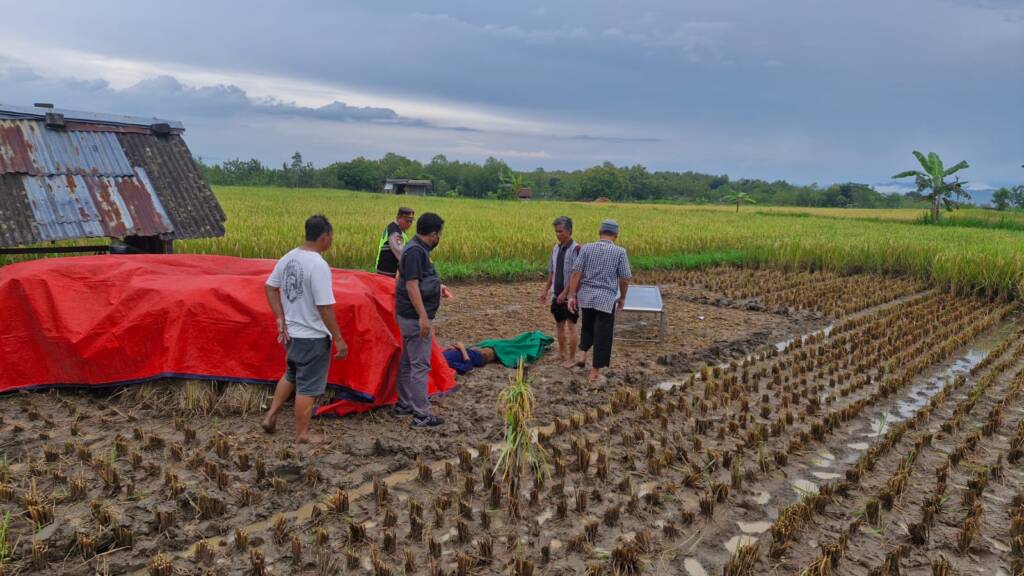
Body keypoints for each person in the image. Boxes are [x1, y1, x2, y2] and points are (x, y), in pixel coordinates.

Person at [261, 215, 348, 444]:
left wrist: (280, 317)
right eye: (332, 237)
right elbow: (325, 307)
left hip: (292, 334)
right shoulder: (318, 265)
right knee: (308, 387)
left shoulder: (290, 257)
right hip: (312, 336)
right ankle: (302, 434)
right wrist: (338, 338)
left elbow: (270, 287)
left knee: (291, 374)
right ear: (325, 236)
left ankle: (270, 416)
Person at [394, 212, 454, 428]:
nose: (439, 239)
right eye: (439, 235)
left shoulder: (416, 249)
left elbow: (417, 280)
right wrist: (422, 317)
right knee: (419, 365)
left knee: (408, 361)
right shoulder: (415, 252)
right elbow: (410, 284)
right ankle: (421, 415)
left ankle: (404, 404)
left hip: (408, 315)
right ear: (434, 234)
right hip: (413, 317)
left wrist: (439, 287)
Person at [567, 219, 632, 383]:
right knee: (602, 334)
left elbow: (576, 273)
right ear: (616, 235)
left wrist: (571, 296)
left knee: (587, 325)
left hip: (586, 297)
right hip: (606, 299)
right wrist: (623, 297)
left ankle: (582, 355)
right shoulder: (620, 252)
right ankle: (594, 371)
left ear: (599, 232)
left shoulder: (587, 248)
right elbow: (624, 279)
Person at [539, 216, 581, 368]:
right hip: (556, 294)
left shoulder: (576, 249)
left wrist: (565, 293)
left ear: (569, 231)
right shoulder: (556, 249)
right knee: (559, 324)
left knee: (571, 325)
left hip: (570, 297)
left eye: (560, 231)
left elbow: (575, 274)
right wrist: (546, 290)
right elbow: (552, 272)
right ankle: (561, 352)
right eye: (556, 231)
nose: (558, 234)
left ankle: (571, 357)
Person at [375, 207, 415, 276]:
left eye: (411, 221)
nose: (409, 224)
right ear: (398, 218)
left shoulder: (400, 230)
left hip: (389, 269)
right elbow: (400, 252)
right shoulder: (394, 232)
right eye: (407, 221)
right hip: (387, 271)